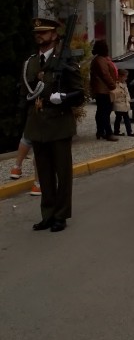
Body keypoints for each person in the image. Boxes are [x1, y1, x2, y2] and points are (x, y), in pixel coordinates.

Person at [21, 17, 84, 232]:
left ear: (54, 35)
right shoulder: (30, 62)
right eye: (37, 32)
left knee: (62, 174)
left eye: (44, 32)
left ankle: (61, 215)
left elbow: (79, 94)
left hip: (58, 124)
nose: (40, 36)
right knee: (44, 174)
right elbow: (25, 93)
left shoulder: (65, 61)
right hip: (38, 125)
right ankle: (47, 214)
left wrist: (63, 97)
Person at [90, 39, 118, 141]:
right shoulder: (100, 60)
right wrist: (113, 86)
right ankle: (108, 133)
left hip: (102, 89)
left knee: (101, 111)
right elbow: (105, 74)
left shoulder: (101, 59)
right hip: (103, 90)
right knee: (105, 112)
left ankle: (101, 131)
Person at [112, 69, 134, 136]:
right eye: (125, 77)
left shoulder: (124, 84)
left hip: (124, 104)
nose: (126, 78)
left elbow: (127, 93)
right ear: (120, 76)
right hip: (119, 104)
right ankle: (128, 131)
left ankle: (118, 131)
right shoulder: (116, 84)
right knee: (123, 118)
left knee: (120, 118)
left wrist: (128, 100)